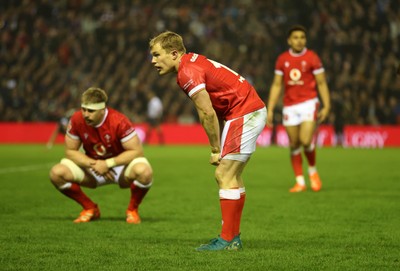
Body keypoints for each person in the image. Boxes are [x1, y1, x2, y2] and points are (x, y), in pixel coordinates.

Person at [149, 31, 267, 251]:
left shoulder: (187, 71)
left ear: (174, 53)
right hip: (245, 110)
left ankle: (227, 239)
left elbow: (206, 112)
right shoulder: (192, 61)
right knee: (233, 177)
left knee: (224, 174)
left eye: (157, 55)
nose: (153, 61)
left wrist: (215, 148)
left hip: (243, 112)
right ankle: (232, 238)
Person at [49, 87, 153, 224]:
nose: (86, 114)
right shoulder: (76, 119)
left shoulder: (119, 121)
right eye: (84, 109)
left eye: (91, 111)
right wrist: (94, 164)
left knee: (144, 172)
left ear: (103, 110)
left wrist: (108, 164)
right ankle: (90, 208)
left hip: (120, 167)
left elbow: (137, 151)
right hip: (92, 168)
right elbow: (70, 151)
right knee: (56, 173)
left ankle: (132, 210)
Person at [267, 25, 330, 193]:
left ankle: (313, 171)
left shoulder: (312, 58)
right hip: (289, 106)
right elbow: (277, 84)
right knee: (294, 144)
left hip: (309, 102)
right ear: (289, 40)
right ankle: (300, 182)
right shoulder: (282, 59)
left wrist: (327, 105)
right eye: (295, 37)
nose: (299, 40)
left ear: (306, 40)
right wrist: (271, 109)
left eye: (302, 37)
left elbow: (322, 82)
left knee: (306, 140)